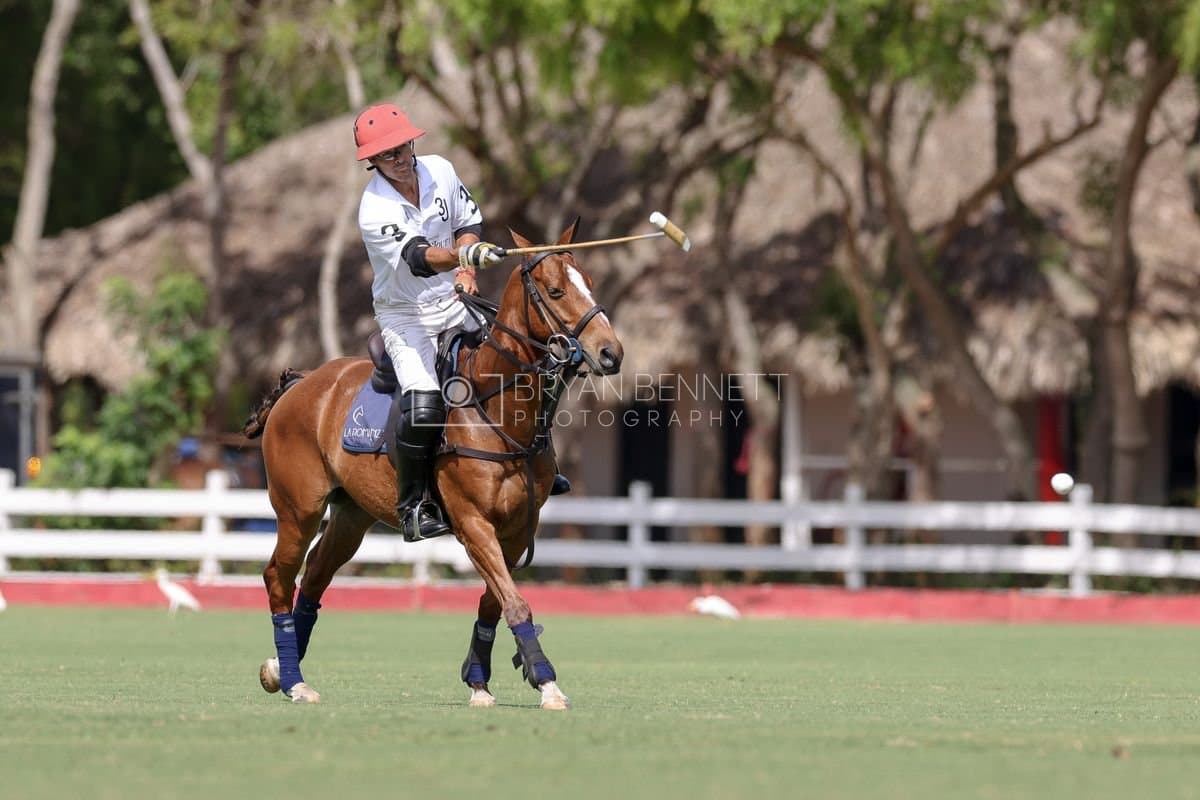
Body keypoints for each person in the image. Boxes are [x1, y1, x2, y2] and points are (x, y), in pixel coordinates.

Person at [353, 103, 568, 543]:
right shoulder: (374, 208)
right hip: (407, 316)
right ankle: (414, 505)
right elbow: (419, 258)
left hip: (455, 299)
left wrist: (467, 267)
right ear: (372, 160)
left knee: (526, 364)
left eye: (402, 147)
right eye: (387, 154)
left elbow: (468, 222)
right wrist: (461, 255)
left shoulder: (440, 170)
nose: (398, 158)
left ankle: (541, 462)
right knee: (424, 405)